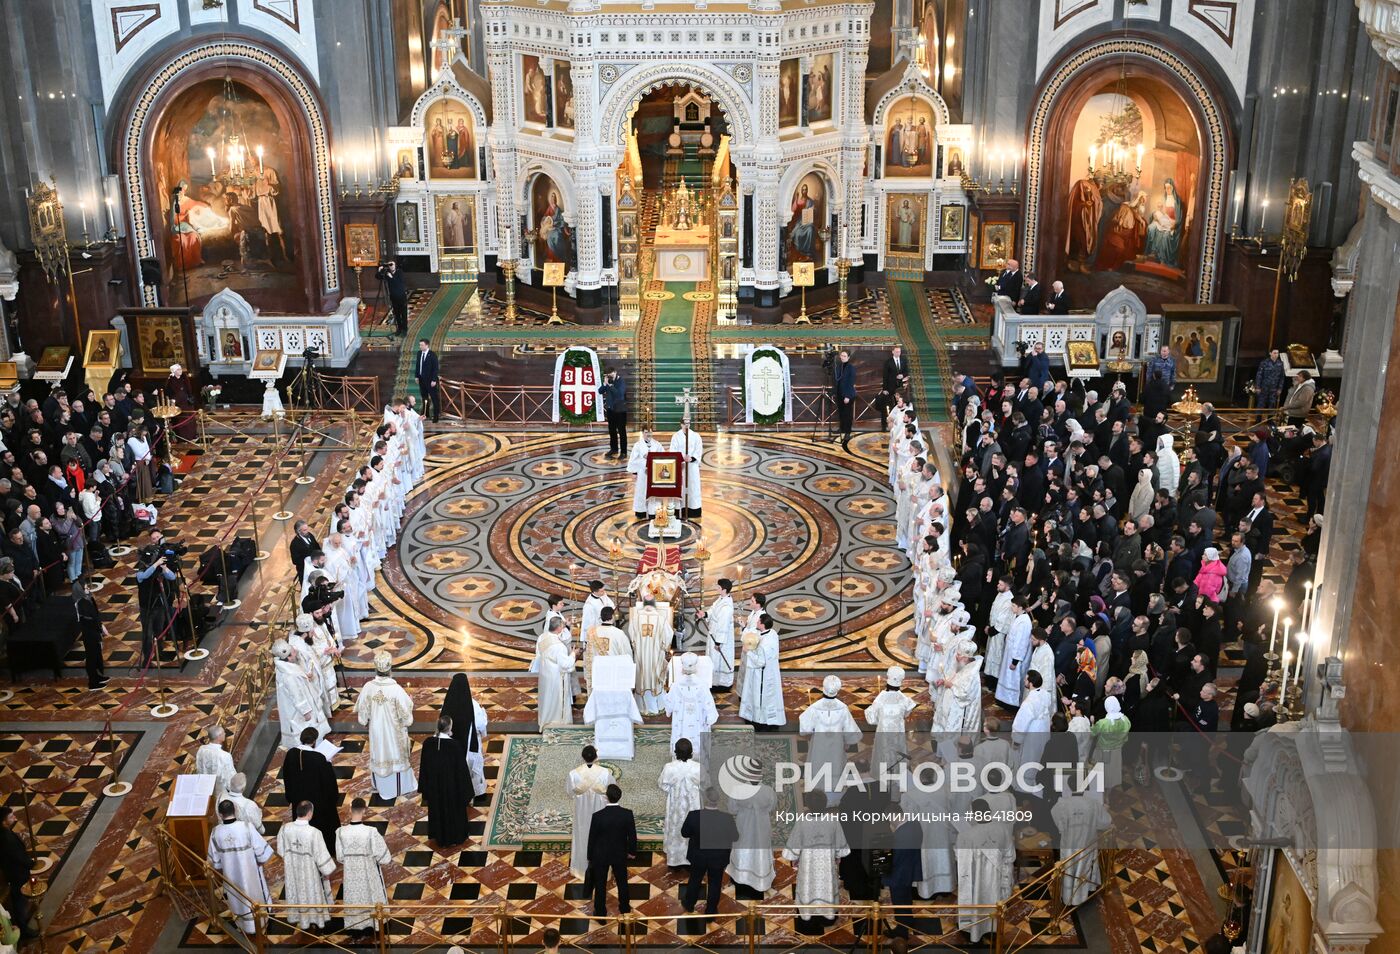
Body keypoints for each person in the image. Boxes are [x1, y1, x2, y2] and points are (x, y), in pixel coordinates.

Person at [355, 651, 418, 800]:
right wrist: (410, 702)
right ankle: (400, 788)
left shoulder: (368, 687)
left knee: (380, 755)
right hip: (394, 735)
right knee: (396, 757)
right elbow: (407, 719)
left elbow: (362, 717)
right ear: (390, 669)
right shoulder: (396, 690)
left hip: (377, 733)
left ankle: (381, 786)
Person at [207, 799, 273, 936]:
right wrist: (259, 862)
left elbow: (215, 861)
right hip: (251, 874)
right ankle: (259, 924)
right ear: (235, 810)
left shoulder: (216, 833)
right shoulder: (246, 827)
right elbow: (262, 852)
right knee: (254, 896)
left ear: (220, 814)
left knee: (237, 898)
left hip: (231, 876)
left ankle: (244, 925)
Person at [955, 797, 1016, 943]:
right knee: (993, 902)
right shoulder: (1002, 829)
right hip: (996, 878)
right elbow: (1010, 856)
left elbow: (959, 859)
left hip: (974, 881)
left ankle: (973, 930)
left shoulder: (965, 835)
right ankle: (992, 929)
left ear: (974, 815)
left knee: (976, 904)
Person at [798, 675, 861, 805]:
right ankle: (834, 800)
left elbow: (804, 729)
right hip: (836, 748)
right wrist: (847, 742)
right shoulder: (843, 708)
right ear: (837, 690)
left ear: (824, 689)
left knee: (818, 767)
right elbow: (850, 732)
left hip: (819, 747)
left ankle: (817, 800)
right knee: (835, 768)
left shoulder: (815, 707)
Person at [782, 804, 850, 921]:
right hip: (826, 864)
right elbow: (841, 849)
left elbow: (791, 852)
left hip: (808, 864)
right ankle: (828, 913)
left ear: (809, 806)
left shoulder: (802, 822)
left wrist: (795, 856)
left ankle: (808, 913)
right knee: (826, 886)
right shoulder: (833, 821)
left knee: (808, 886)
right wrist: (836, 855)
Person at [279, 726, 341, 852]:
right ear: (313, 742)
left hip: (299, 799)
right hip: (317, 802)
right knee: (324, 827)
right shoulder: (318, 758)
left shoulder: (291, 754)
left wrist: (290, 796)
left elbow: (287, 776)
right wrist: (328, 764)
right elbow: (328, 782)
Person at [277, 800, 336, 930]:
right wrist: (328, 870)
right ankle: (315, 920)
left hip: (293, 872)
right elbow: (322, 859)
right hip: (310, 874)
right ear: (310, 813)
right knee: (311, 894)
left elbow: (281, 851)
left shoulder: (285, 829)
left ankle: (301, 920)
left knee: (298, 893)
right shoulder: (314, 833)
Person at [336, 798, 391, 936]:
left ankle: (355, 925)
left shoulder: (340, 832)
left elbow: (339, 857)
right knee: (371, 896)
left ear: (350, 809)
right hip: (369, 872)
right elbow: (385, 858)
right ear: (364, 810)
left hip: (350, 874)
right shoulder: (371, 832)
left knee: (354, 897)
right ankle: (374, 924)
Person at [681, 787, 739, 915]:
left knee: (695, 880)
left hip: (698, 856)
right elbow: (735, 837)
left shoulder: (693, 815)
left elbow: (684, 833)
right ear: (718, 801)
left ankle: (689, 904)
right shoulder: (727, 818)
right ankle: (711, 910)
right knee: (715, 883)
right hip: (718, 857)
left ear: (704, 800)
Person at [418, 716, 475, 848]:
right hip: (452, 789)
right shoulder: (455, 746)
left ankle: (440, 836)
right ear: (449, 728)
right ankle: (455, 836)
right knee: (453, 814)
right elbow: (462, 771)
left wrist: (426, 788)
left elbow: (424, 767)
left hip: (435, 789)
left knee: (438, 812)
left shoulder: (428, 743)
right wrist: (466, 791)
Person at [1051, 783, 1112, 904]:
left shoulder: (1062, 804)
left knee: (1069, 869)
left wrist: (1063, 827)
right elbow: (1105, 822)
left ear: (1069, 786)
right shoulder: (1093, 804)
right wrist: (1104, 810)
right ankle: (1083, 894)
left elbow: (1056, 818)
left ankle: (1069, 897)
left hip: (1069, 843)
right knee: (1084, 867)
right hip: (1086, 843)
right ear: (1085, 788)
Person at [586, 784, 637, 918]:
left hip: (600, 855)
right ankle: (625, 909)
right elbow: (632, 835)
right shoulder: (627, 814)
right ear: (620, 797)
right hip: (619, 854)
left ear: (607, 797)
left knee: (600, 884)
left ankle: (601, 913)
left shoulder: (597, 816)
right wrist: (632, 852)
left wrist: (590, 856)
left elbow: (592, 837)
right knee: (622, 883)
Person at [271, 640, 331, 748]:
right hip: (302, 712)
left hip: (304, 707)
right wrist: (306, 711)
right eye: (293, 652)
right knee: (310, 736)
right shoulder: (289, 675)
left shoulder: (285, 667)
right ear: (288, 657)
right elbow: (296, 694)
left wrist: (304, 676)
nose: (296, 652)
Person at [567, 745, 614, 879]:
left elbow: (570, 792)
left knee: (582, 837)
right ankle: (602, 870)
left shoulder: (573, 774)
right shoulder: (605, 773)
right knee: (602, 839)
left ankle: (580, 869)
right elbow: (612, 789)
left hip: (582, 813)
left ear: (582, 757)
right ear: (596, 757)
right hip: (601, 812)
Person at [665, 653, 719, 768]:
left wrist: (669, 711)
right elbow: (710, 710)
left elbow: (668, 706)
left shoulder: (675, 685)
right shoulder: (703, 685)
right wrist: (710, 718)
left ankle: (680, 758)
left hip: (681, 725)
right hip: (697, 724)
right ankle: (698, 760)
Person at [658, 738, 706, 867]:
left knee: (675, 826)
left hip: (675, 804)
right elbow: (706, 785)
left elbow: (663, 785)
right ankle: (692, 858)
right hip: (693, 804)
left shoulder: (669, 767)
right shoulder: (698, 768)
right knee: (694, 829)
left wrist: (674, 791)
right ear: (691, 753)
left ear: (676, 753)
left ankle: (675, 859)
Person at [726, 778, 777, 893]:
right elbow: (771, 807)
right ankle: (762, 879)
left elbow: (732, 809)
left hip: (744, 825)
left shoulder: (738, 790)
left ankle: (740, 877)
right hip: (762, 825)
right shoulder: (768, 791)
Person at [866, 666, 917, 781]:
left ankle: (882, 778)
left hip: (883, 734)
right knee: (898, 754)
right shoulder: (904, 699)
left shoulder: (880, 699)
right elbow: (906, 714)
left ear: (887, 679)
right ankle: (898, 777)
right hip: (897, 733)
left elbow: (871, 719)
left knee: (883, 753)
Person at [442, 673, 489, 796]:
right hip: (469, 746)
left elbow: (442, 722)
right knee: (471, 769)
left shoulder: (447, 702)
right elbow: (480, 725)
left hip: (450, 747)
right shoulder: (473, 705)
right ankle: (475, 791)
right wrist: (484, 713)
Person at [738, 613, 785, 729]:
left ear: (763, 624)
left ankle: (759, 719)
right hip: (771, 673)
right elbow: (754, 635)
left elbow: (760, 662)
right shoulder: (772, 633)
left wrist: (747, 651)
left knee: (760, 697)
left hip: (762, 675)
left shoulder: (765, 644)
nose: (757, 622)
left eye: (758, 621)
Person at [629, 596, 673, 715]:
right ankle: (656, 705)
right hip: (655, 654)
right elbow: (668, 635)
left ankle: (641, 706)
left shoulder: (636, 618)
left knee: (641, 677)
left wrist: (636, 645)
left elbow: (632, 635)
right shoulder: (660, 618)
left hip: (641, 655)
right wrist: (664, 647)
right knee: (654, 676)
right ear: (654, 604)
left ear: (643, 604)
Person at [696, 577, 735, 688]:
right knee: (713, 658)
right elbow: (713, 610)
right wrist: (704, 614)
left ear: (723, 589)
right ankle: (713, 680)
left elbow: (723, 626)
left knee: (718, 659)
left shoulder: (726, 607)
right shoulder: (721, 599)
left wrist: (718, 643)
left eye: (718, 587)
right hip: (714, 633)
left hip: (719, 637)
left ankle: (721, 682)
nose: (716, 588)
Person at [73, 579, 109, 689]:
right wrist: (101, 628)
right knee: (92, 657)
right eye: (85, 588)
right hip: (90, 634)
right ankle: (93, 683)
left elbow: (95, 615)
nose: (88, 589)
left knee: (96, 654)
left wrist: (100, 626)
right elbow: (91, 619)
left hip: (94, 632)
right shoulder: (82, 603)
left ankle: (97, 676)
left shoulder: (88, 599)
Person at [626, 427, 664, 520]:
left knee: (654, 492)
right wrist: (635, 471)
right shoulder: (638, 445)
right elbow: (633, 459)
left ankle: (653, 511)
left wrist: (654, 456)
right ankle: (641, 511)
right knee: (641, 491)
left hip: (654, 473)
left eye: (650, 432)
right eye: (646, 432)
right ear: (643, 433)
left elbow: (663, 457)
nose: (648, 434)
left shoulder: (657, 445)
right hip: (642, 473)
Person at [668, 421, 704, 519]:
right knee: (681, 488)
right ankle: (681, 509)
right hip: (681, 466)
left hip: (692, 467)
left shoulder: (696, 436)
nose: (686, 425)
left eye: (688, 423)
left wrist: (692, 458)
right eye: (684, 423)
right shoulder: (676, 436)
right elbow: (672, 450)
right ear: (681, 424)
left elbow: (699, 449)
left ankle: (693, 510)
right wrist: (682, 457)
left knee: (693, 488)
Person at [195, 725, 236, 808]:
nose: (225, 733)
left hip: (205, 788)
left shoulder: (201, 749)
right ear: (219, 737)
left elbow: (199, 767)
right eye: (223, 733)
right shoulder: (224, 755)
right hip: (220, 792)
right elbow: (230, 777)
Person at [599, 369, 628, 459]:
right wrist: (604, 384)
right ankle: (614, 449)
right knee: (612, 431)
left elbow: (620, 395)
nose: (610, 376)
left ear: (615, 372)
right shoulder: (608, 382)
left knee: (621, 431)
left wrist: (610, 385)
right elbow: (600, 391)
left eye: (611, 374)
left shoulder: (621, 381)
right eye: (608, 374)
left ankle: (623, 452)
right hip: (610, 410)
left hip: (620, 411)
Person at [878, 345, 910, 420]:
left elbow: (906, 371)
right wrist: (885, 388)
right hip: (890, 387)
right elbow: (885, 376)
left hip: (900, 387)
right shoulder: (888, 362)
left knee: (900, 404)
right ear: (892, 352)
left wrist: (902, 375)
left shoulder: (903, 360)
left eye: (899, 352)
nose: (898, 353)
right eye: (896, 352)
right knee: (890, 405)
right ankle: (888, 422)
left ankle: (899, 420)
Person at [833, 349, 856, 451]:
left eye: (844, 356)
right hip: (839, 394)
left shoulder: (851, 367)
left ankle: (847, 432)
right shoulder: (839, 366)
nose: (842, 357)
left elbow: (851, 382)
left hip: (847, 395)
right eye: (841, 356)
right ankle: (842, 428)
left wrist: (847, 396)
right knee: (841, 413)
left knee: (847, 414)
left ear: (848, 357)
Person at [378, 260, 409, 336]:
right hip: (393, 297)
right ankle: (399, 328)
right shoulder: (387, 273)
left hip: (401, 296)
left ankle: (405, 329)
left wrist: (391, 277)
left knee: (403, 314)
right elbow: (378, 277)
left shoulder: (399, 272)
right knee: (397, 314)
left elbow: (398, 283)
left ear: (395, 265)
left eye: (392, 265)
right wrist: (379, 271)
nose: (391, 266)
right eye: (390, 265)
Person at [414, 338, 440, 423]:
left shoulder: (432, 355)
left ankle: (436, 416)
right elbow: (418, 365)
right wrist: (416, 376)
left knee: (434, 398)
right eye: (420, 345)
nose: (420, 346)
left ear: (427, 345)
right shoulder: (419, 353)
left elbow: (435, 368)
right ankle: (426, 413)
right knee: (424, 397)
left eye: (422, 345)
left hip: (430, 381)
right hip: (421, 380)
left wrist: (434, 379)